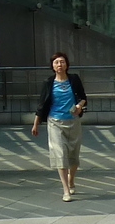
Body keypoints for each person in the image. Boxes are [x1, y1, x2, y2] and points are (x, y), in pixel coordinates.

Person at [30, 52, 87, 201]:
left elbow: (83, 98)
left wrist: (79, 105)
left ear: (66, 64)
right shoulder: (48, 83)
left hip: (73, 121)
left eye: (62, 62)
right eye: (56, 62)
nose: (59, 65)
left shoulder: (74, 79)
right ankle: (66, 190)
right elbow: (41, 105)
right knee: (60, 154)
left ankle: (71, 179)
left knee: (73, 156)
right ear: (52, 66)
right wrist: (35, 124)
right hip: (55, 122)